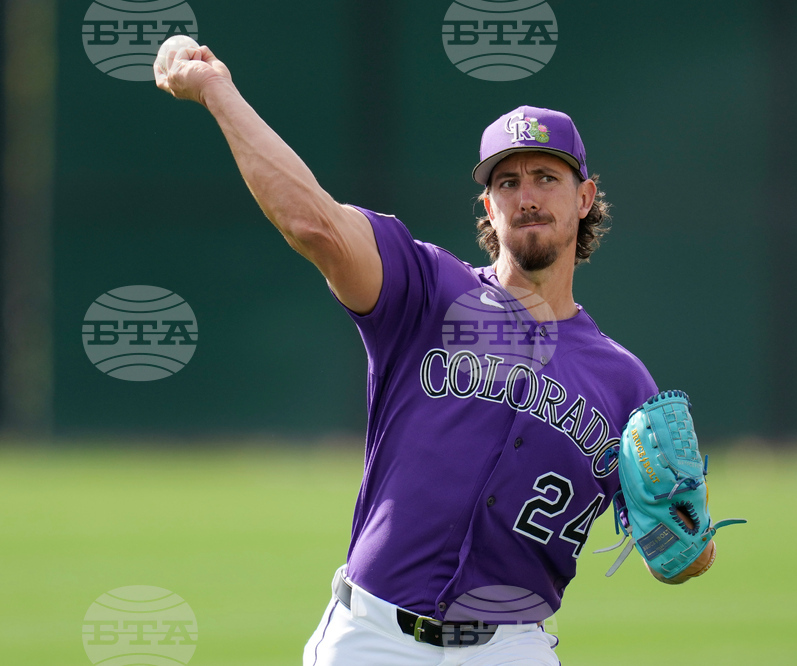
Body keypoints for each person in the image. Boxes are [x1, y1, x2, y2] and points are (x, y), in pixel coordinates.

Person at [154, 42, 716, 666]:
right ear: (489, 208)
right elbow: (313, 224)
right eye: (508, 182)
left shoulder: (624, 384)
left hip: (511, 650)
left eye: (546, 178)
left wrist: (687, 531)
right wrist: (216, 91)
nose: (527, 196)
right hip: (372, 639)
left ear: (584, 198)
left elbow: (678, 560)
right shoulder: (425, 289)